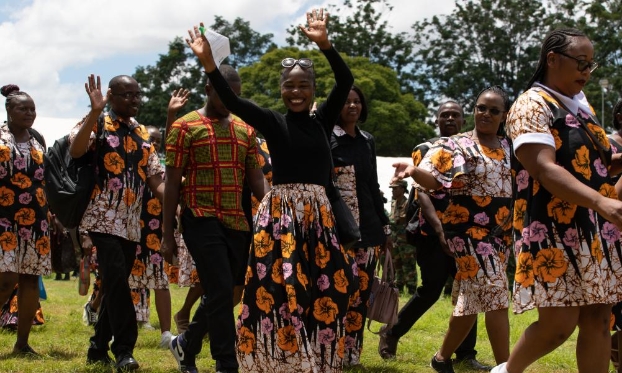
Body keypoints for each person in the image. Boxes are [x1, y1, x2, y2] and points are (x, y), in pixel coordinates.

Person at [183, 7, 356, 372]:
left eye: (303, 85)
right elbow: (232, 101)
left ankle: (316, 358)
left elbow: (344, 80)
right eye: (289, 86)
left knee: (330, 289)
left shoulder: (323, 120)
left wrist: (326, 45)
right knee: (282, 290)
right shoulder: (273, 122)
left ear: (313, 90)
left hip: (319, 218)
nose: (296, 91)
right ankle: (278, 359)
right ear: (281, 91)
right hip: (282, 218)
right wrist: (210, 65)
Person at [490, 28, 622, 373]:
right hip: (553, 230)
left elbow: (600, 163)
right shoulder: (531, 104)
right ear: (552, 59)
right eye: (580, 62)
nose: (586, 72)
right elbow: (544, 169)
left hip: (593, 229)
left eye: (591, 65)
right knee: (557, 327)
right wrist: (603, 203)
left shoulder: (581, 105)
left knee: (598, 316)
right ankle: (505, 371)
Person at [393, 86, 512, 373]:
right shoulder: (456, 145)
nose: (485, 114)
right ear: (474, 109)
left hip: (500, 236)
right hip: (468, 235)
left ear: (503, 115)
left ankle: (442, 358)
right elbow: (432, 180)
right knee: (497, 300)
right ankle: (507, 368)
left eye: (493, 110)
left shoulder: (510, 146)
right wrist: (412, 171)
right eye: (481, 107)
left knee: (469, 302)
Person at [161, 63, 267, 373]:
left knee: (225, 293)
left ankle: (185, 345)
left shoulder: (246, 129)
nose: (231, 101)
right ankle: (226, 363)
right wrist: (168, 233)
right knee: (220, 290)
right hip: (200, 217)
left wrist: (280, 207)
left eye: (236, 96)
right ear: (208, 89)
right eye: (225, 94)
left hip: (238, 221)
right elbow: (171, 184)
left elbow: (257, 179)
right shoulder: (184, 127)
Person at [379, 101, 490, 371]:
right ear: (437, 119)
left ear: (463, 119)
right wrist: (441, 232)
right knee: (430, 289)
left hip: (464, 232)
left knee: (468, 291)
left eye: (455, 115)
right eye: (444, 115)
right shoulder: (425, 150)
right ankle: (392, 331)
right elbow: (423, 193)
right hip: (432, 232)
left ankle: (466, 354)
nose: (450, 118)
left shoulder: (471, 149)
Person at [68, 74, 165, 371]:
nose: (134, 100)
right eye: (127, 95)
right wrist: (95, 111)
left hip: (130, 222)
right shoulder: (98, 122)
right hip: (100, 218)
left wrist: (175, 202)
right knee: (119, 283)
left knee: (116, 284)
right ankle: (124, 349)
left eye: (137, 94)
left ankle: (97, 349)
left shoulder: (140, 133)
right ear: (111, 96)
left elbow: (155, 178)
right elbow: (76, 150)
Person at [330, 85, 391, 366]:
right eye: (346, 102)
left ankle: (352, 354)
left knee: (361, 294)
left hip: (368, 232)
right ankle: (332, 350)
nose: (352, 106)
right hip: (337, 231)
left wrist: (385, 226)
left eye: (357, 102)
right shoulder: (328, 138)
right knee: (337, 290)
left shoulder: (367, 140)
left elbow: (373, 185)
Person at [0, 84, 51, 355]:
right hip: (3, 219)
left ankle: (22, 344)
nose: (30, 113)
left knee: (30, 279)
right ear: (9, 110)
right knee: (6, 279)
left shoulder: (37, 139)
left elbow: (45, 177)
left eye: (32, 109)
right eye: (23, 108)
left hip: (36, 220)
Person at [389, 179, 417, 294]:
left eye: (395, 188)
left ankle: (411, 289)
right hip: (395, 240)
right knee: (397, 265)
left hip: (406, 241)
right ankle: (399, 287)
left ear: (402, 189)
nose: (393, 191)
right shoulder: (393, 203)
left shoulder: (408, 203)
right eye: (392, 189)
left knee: (408, 265)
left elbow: (401, 219)